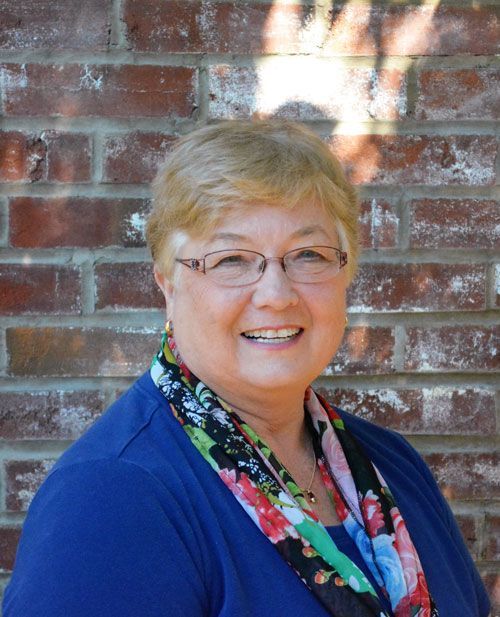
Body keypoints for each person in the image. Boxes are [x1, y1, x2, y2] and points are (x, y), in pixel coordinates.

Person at [3, 120, 490, 617]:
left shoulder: (393, 466)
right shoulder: (111, 500)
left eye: (307, 255)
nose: (276, 295)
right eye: (232, 259)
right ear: (167, 282)